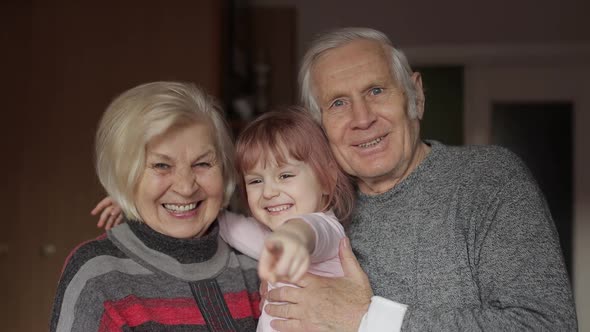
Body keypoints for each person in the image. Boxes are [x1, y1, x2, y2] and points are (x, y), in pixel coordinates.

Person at [261, 27, 578, 331]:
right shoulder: (313, 204)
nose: (363, 118)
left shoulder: (489, 179)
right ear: (319, 126)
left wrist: (367, 319)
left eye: (376, 90)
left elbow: (547, 325)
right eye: (338, 103)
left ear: (416, 95)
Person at [92, 108, 356, 332]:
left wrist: (293, 239)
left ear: (326, 179)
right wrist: (140, 197)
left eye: (285, 176)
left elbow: (310, 232)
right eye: (255, 181)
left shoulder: (327, 229)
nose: (269, 192)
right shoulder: (269, 237)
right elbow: (223, 221)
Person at [50, 81, 261, 331]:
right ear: (126, 175)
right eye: (162, 165)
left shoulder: (258, 264)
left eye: (202, 164)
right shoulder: (98, 276)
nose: (185, 187)